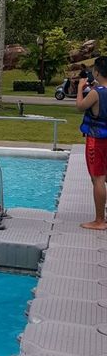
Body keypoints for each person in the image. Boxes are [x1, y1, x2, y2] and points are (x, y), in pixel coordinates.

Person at [76, 56, 107, 230]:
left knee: (98, 178)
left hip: (97, 140)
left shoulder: (96, 92)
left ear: (96, 71)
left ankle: (99, 220)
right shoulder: (100, 90)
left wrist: (81, 88)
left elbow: (80, 106)